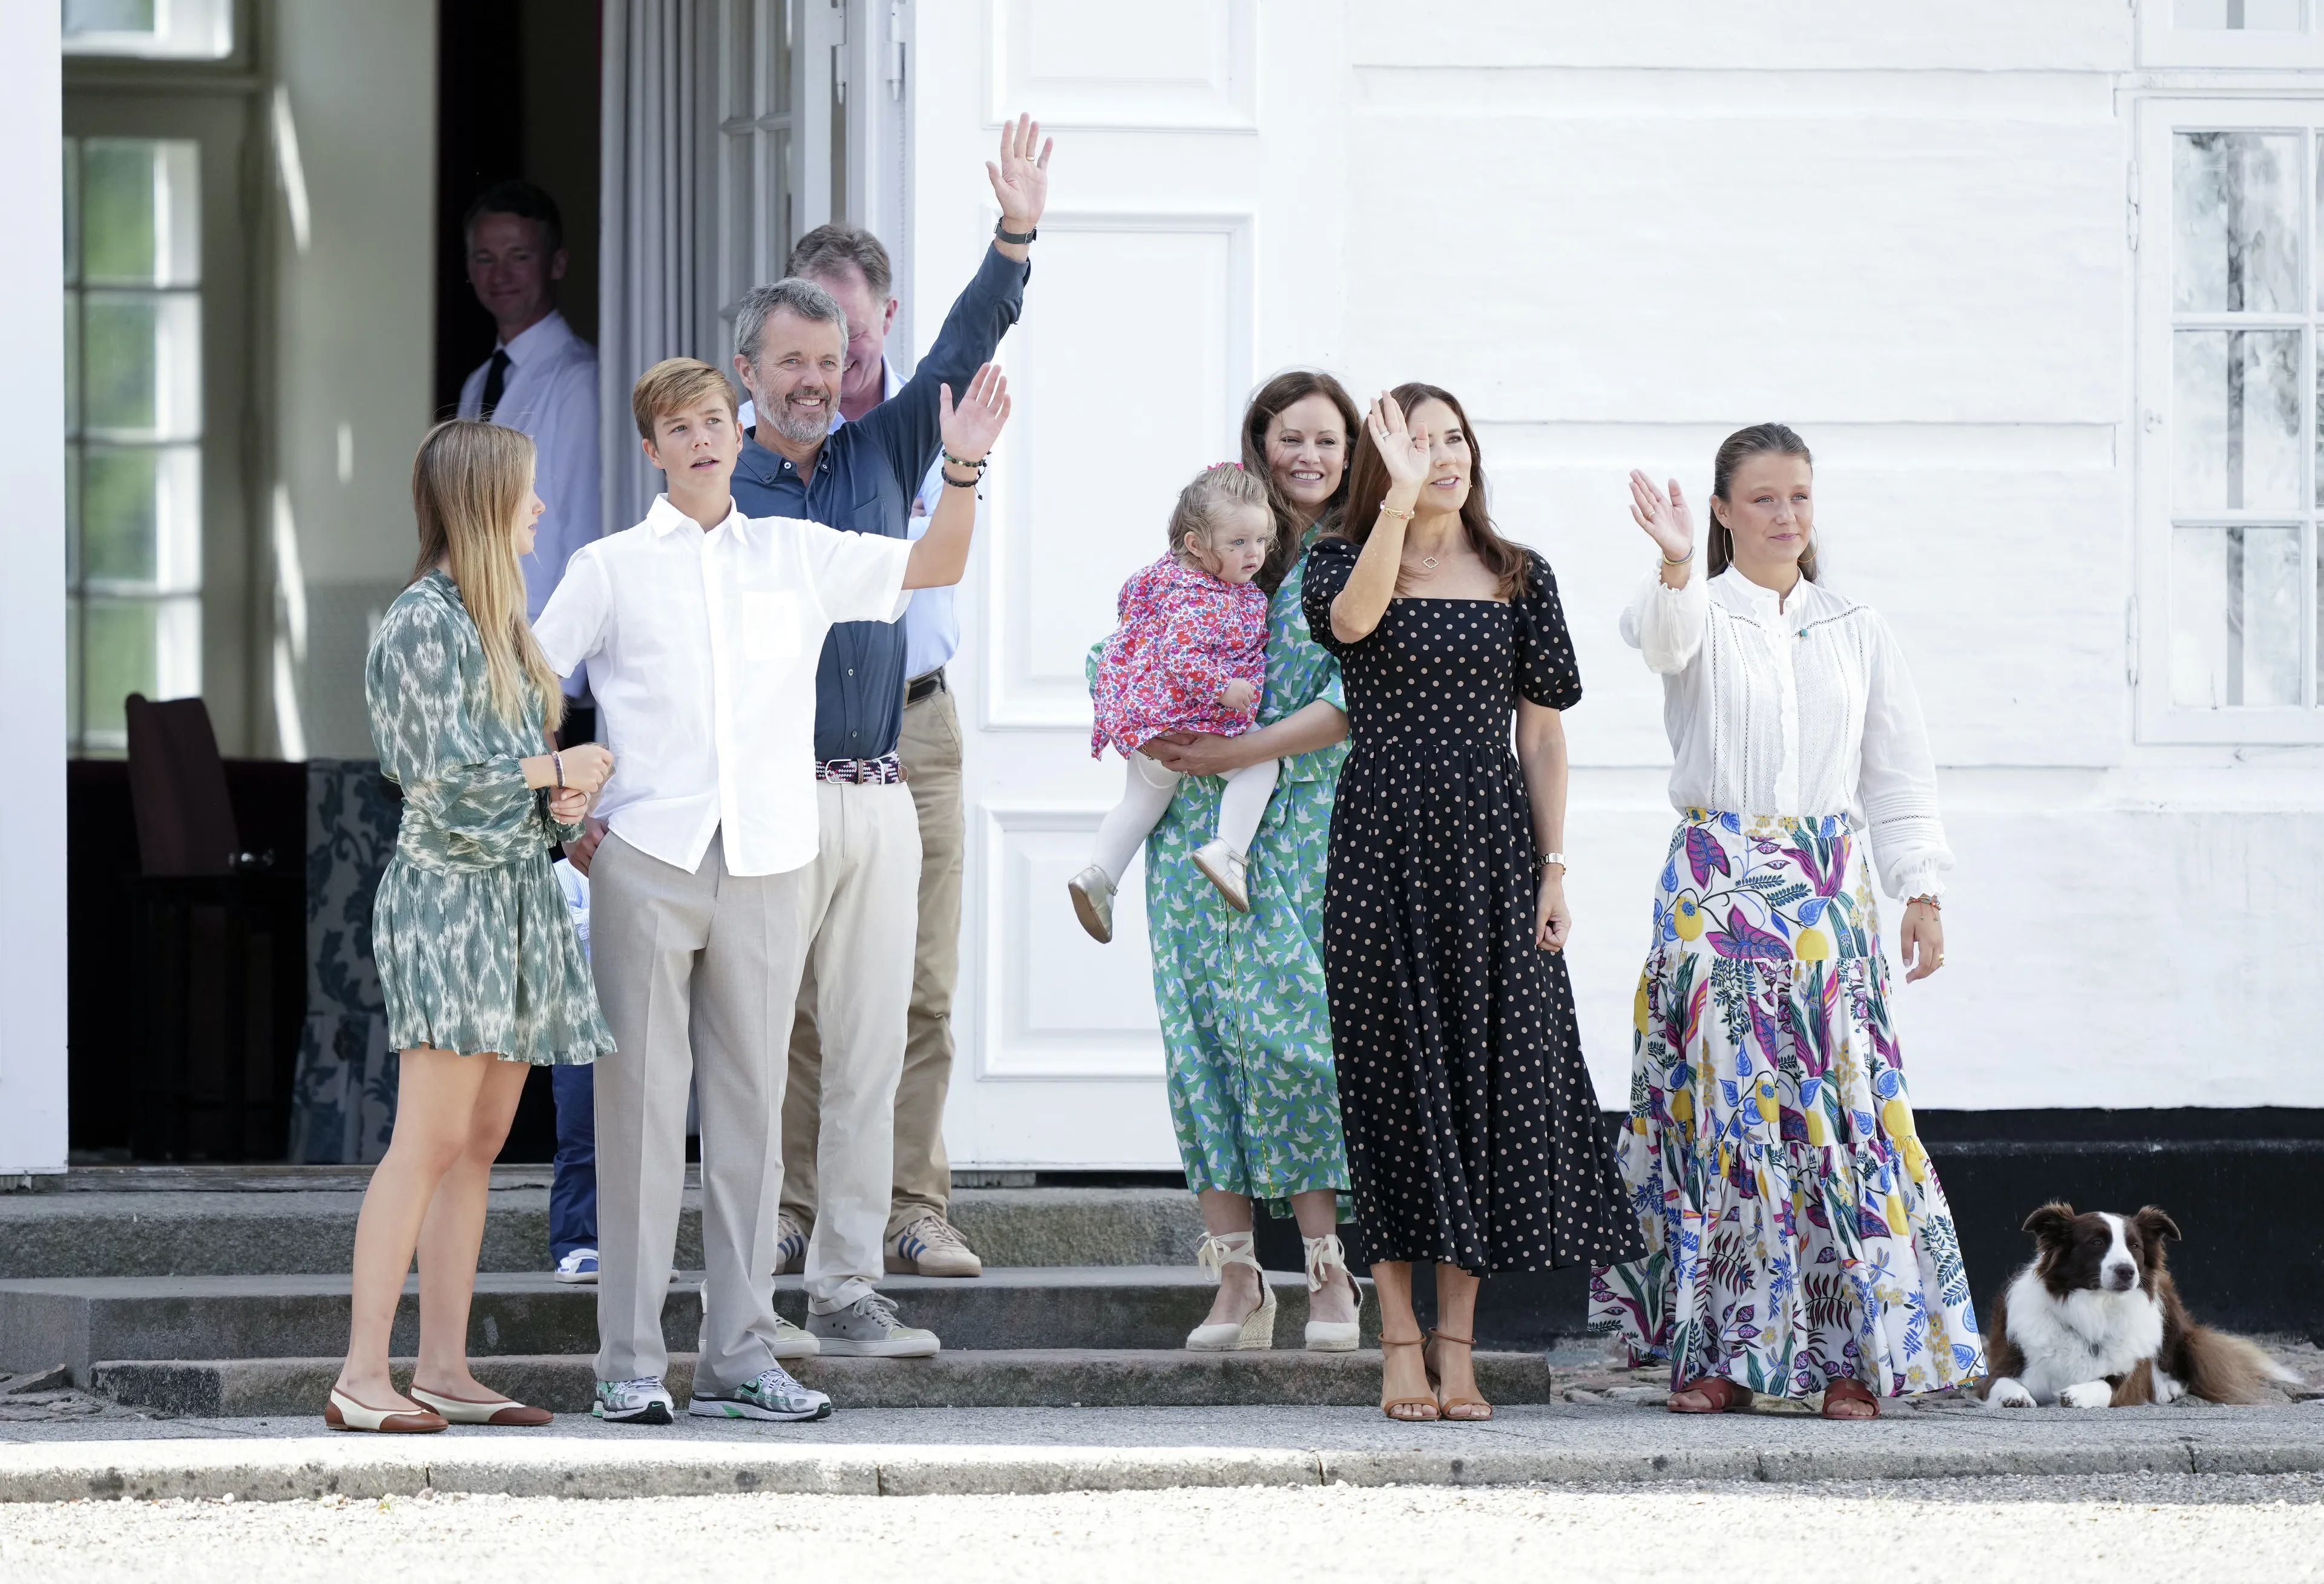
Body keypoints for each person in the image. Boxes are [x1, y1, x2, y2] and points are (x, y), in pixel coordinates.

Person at [536, 357, 1011, 1423]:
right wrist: (559, 804)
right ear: (651, 448)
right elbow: (529, 675)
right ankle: (627, 1361)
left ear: (740, 432)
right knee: (644, 1114)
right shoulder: (609, 567)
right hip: (648, 860)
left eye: (714, 419)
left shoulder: (797, 555)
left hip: (769, 856)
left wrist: (966, 463)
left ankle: (741, 1356)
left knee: (752, 1111)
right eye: (678, 426)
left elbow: (937, 559)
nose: (703, 438)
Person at [705, 113, 1049, 1329]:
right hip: (773, 788)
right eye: (791, 362)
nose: (815, 378)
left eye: (833, 356)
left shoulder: (883, 447)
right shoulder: (718, 481)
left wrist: (1013, 234)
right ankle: (752, 1277)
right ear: (747, 371)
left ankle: (853, 1273)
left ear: (861, 353)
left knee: (881, 1023)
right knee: (759, 1036)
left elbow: (967, 338)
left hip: (891, 772)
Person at [1590, 424, 1982, 1419]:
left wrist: (1920, 887)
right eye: (1763, 498)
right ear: (1725, 510)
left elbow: (1898, 767)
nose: (1786, 516)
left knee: (1836, 1109)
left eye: (1800, 496)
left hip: (1825, 896)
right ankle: (1714, 1355)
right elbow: (1662, 639)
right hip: (1714, 888)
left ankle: (1851, 1360)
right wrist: (1678, 559)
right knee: (1725, 1116)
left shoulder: (1854, 621)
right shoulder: (1693, 605)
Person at [1304, 384, 1645, 1422]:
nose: (1443, 455)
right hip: (1379, 847)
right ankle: (1396, 1339)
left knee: (1489, 1089)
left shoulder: (1518, 576)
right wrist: (1397, 506)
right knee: (1393, 1085)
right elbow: (1353, 626)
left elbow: (1541, 736)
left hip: (1494, 853)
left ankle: (1461, 1348)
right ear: (1385, 458)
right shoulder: (1340, 557)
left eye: (1455, 439)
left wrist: (1553, 869)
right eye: (1418, 442)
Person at [327, 419, 615, 1433]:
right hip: (450, 903)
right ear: (489, 502)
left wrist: (559, 808)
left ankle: (443, 1366)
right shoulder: (419, 622)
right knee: (431, 1135)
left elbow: (503, 785)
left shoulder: (500, 623)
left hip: (514, 900)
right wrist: (553, 771)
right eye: (529, 491)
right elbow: (435, 786)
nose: (542, 506)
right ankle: (363, 1375)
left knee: (483, 1140)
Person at [747, 222, 990, 1282]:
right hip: (797, 744)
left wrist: (1015, 237)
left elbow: (970, 341)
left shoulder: (907, 428)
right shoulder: (758, 468)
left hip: (917, 729)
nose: (827, 359)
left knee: (922, 986)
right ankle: (795, 1205)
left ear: (878, 323)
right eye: (803, 343)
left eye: (842, 333)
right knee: (798, 992)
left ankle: (914, 1207)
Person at [1124, 370, 1368, 1352]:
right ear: (1259, 445)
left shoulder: (1356, 558)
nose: (1308, 457)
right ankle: (1236, 1283)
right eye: (1290, 439)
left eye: (1328, 441)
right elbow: (1130, 651)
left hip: (1300, 816)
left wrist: (1238, 750)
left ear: (1351, 454)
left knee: (1288, 1045)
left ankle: (1330, 1275)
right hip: (1193, 825)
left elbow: (1354, 696)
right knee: (1201, 1042)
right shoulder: (1216, 540)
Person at [454, 177, 606, 1288]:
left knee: (576, 952)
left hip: (567, 698)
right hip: (503, 695)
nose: (500, 272)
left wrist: (556, 694)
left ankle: (583, 1213)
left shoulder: (585, 386)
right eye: (484, 256)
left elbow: (574, 541)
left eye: (518, 255)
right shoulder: (484, 383)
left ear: (554, 261)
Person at [1074, 463, 1278, 933]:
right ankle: (1228, 850)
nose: (1255, 554)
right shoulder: (1205, 596)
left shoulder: (1163, 578)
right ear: (1195, 544)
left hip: (1152, 725)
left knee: (1141, 804)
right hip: (1192, 723)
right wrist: (1226, 689)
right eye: (1238, 543)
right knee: (1263, 764)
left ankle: (1100, 875)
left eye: (1262, 540)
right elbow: (1182, 656)